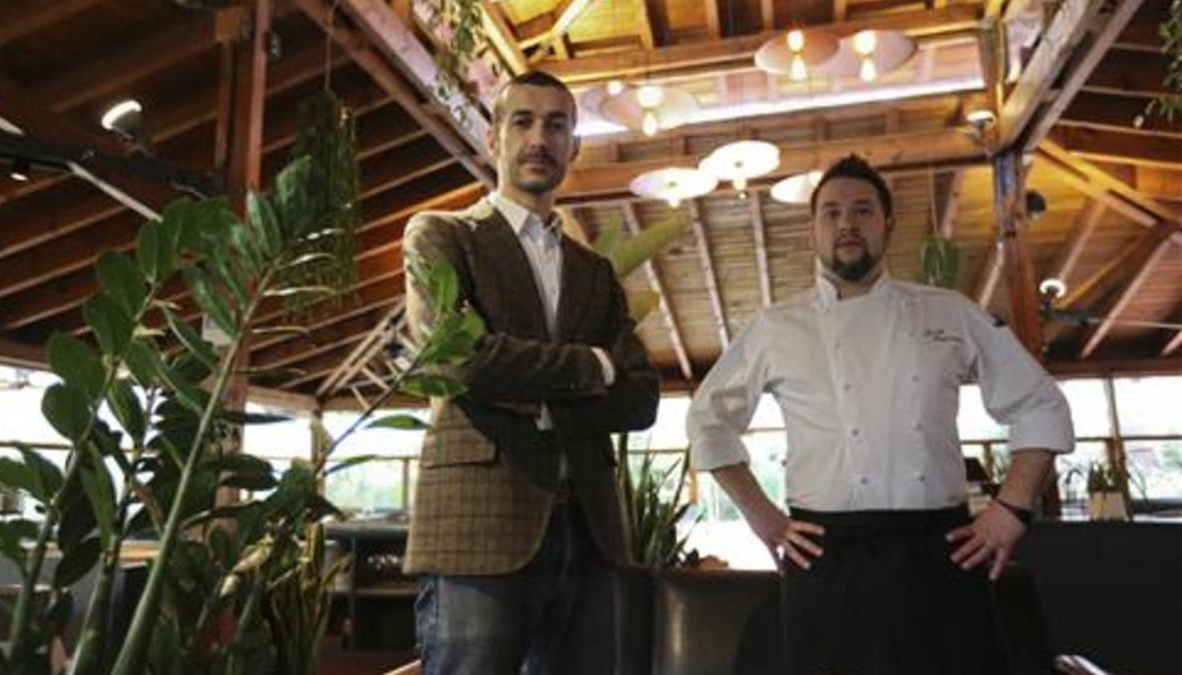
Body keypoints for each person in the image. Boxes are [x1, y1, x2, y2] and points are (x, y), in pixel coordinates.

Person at [686, 154, 1073, 675]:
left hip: (940, 553)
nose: (847, 223)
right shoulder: (777, 327)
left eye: (863, 210)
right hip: (825, 557)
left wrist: (1013, 508)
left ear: (888, 224)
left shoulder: (947, 310)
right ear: (813, 230)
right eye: (831, 213)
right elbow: (708, 420)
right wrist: (762, 516)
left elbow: (1038, 402)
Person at [401, 71, 660, 675]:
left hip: (589, 528)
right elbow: (456, 358)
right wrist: (592, 365)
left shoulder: (594, 272)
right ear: (494, 139)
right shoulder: (443, 235)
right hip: (478, 524)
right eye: (523, 121)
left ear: (574, 147)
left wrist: (524, 382)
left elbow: (643, 396)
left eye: (557, 124)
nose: (539, 137)